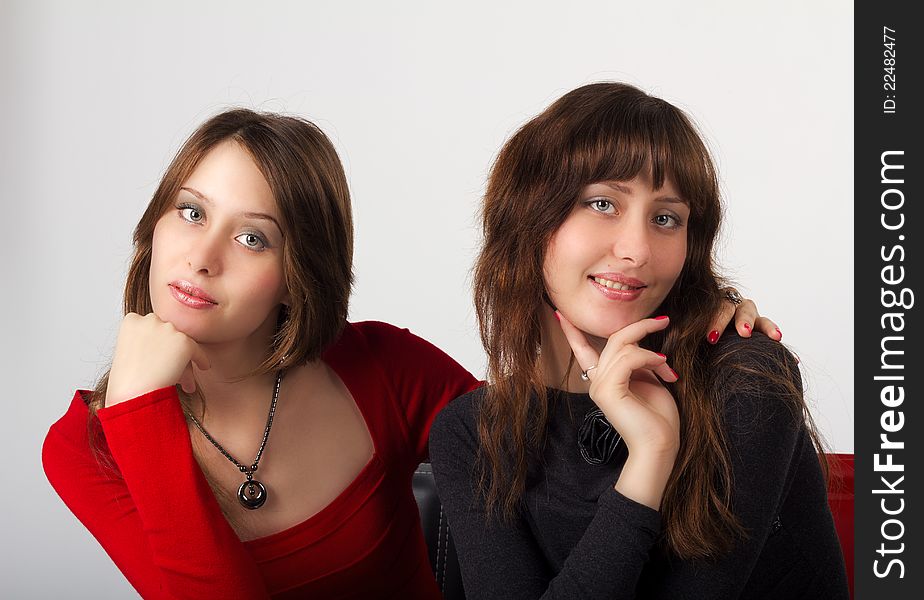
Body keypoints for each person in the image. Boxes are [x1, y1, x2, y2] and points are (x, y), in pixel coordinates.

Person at [42, 108, 775, 598]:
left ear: (301, 273)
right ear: (154, 225)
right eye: (191, 211)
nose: (200, 258)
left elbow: (545, 440)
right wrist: (139, 414)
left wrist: (675, 316)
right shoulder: (82, 448)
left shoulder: (381, 369)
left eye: (253, 235)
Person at [429, 82, 849, 599]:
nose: (636, 250)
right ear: (528, 215)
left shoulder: (745, 381)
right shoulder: (473, 434)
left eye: (666, 218)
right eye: (603, 203)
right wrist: (649, 459)